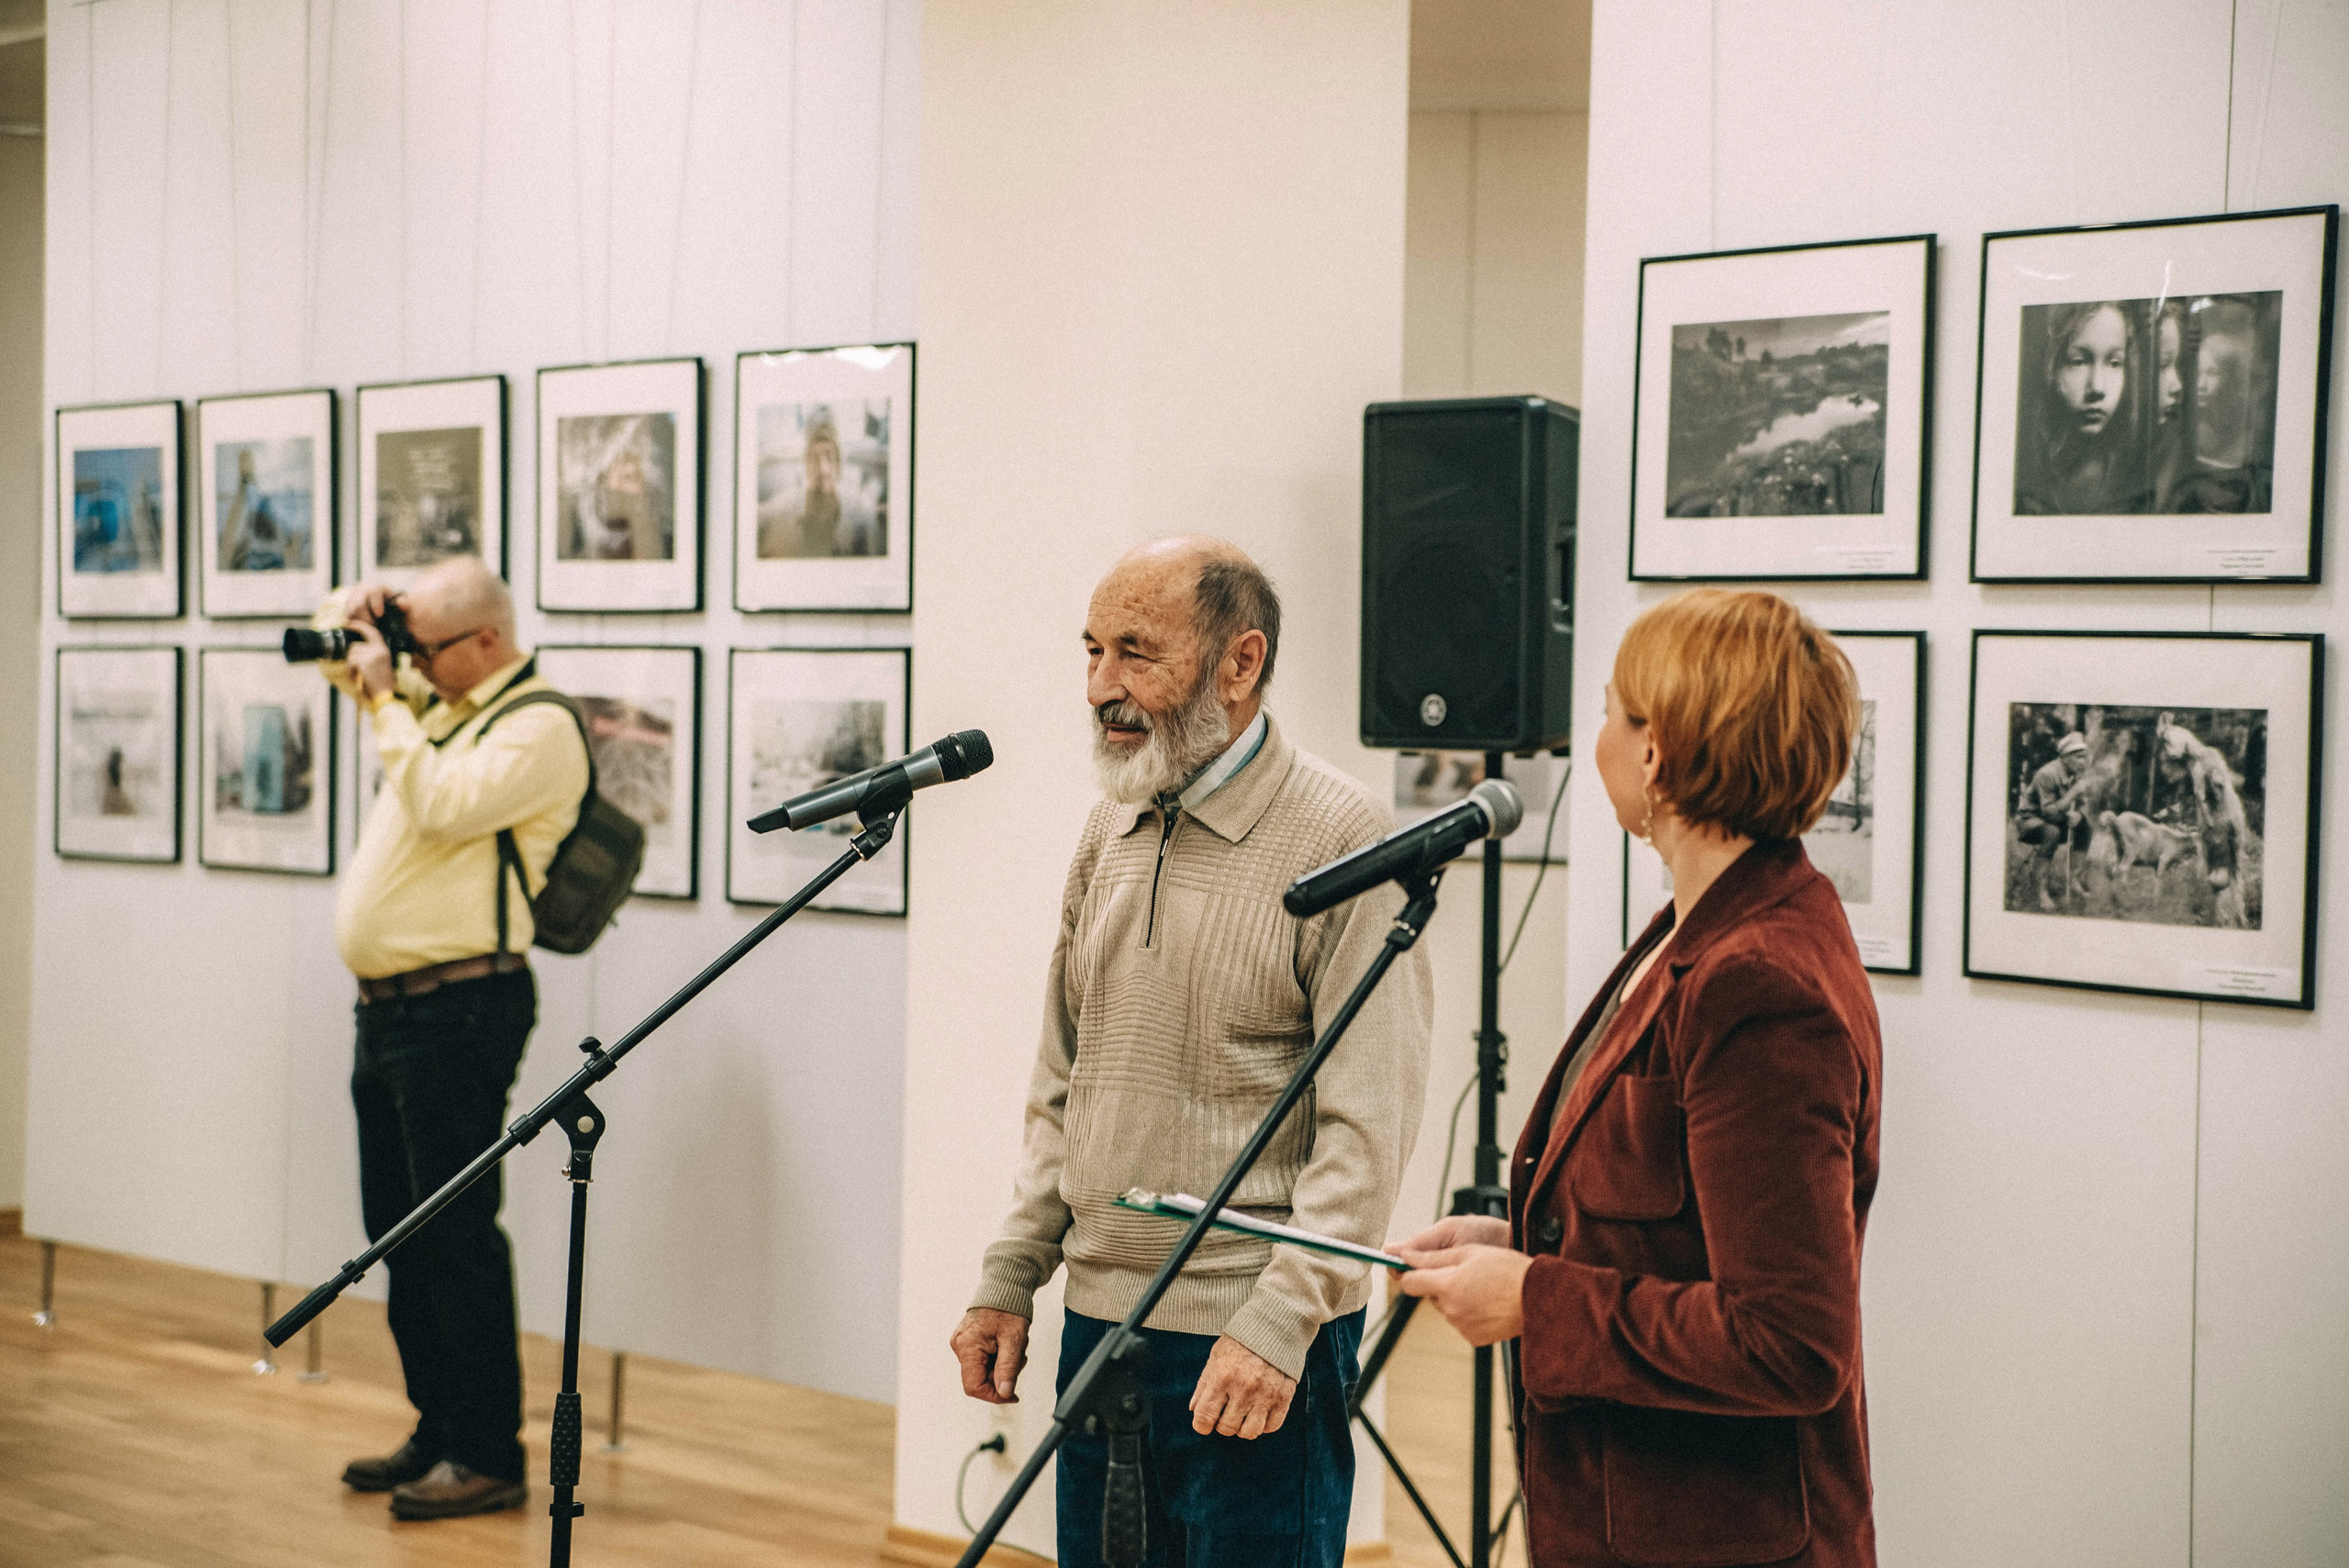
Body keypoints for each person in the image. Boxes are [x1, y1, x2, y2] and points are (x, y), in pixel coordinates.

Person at [951, 537, 1432, 1567]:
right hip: (1099, 1325)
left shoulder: (1343, 836)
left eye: (1135, 652)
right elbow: (1063, 1084)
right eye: (1090, 650)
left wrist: (1279, 1321)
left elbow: (1368, 1126)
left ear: (1239, 662)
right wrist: (1011, 1270)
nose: (1100, 687)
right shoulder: (1108, 827)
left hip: (1251, 1338)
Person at [1396, 589, 1882, 1568]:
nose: (1598, 740)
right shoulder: (1706, 928)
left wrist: (1538, 1296)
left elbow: (1789, 1338)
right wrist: (1525, 1234)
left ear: (1656, 752)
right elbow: (1677, 1216)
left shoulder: (1760, 981)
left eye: (1614, 713)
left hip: (1716, 1534)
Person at [308, 556, 590, 1521]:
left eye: (429, 648)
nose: (412, 666)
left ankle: (486, 1451)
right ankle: (438, 1423)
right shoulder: (448, 702)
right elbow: (335, 657)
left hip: (462, 1008)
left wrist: (391, 698)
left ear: (485, 639)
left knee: (454, 1233)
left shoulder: (538, 724)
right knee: (395, 1229)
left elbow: (439, 802)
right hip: (389, 1009)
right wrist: (362, 604)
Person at [2015, 299, 2151, 515]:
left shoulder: (2135, 480)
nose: (2097, 387)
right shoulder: (2024, 473)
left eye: (2115, 363)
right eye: (2078, 361)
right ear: (2052, 367)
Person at [2016, 729, 2094, 911]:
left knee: (2085, 827)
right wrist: (2073, 793)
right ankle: (2041, 891)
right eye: (2079, 758)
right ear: (2066, 756)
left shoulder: (2077, 773)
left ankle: (2074, 880)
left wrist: (2079, 815)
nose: (2083, 762)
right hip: (2030, 821)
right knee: (2052, 831)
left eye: (2084, 757)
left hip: (2057, 818)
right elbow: (2049, 812)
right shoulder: (2047, 774)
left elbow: (2084, 804)